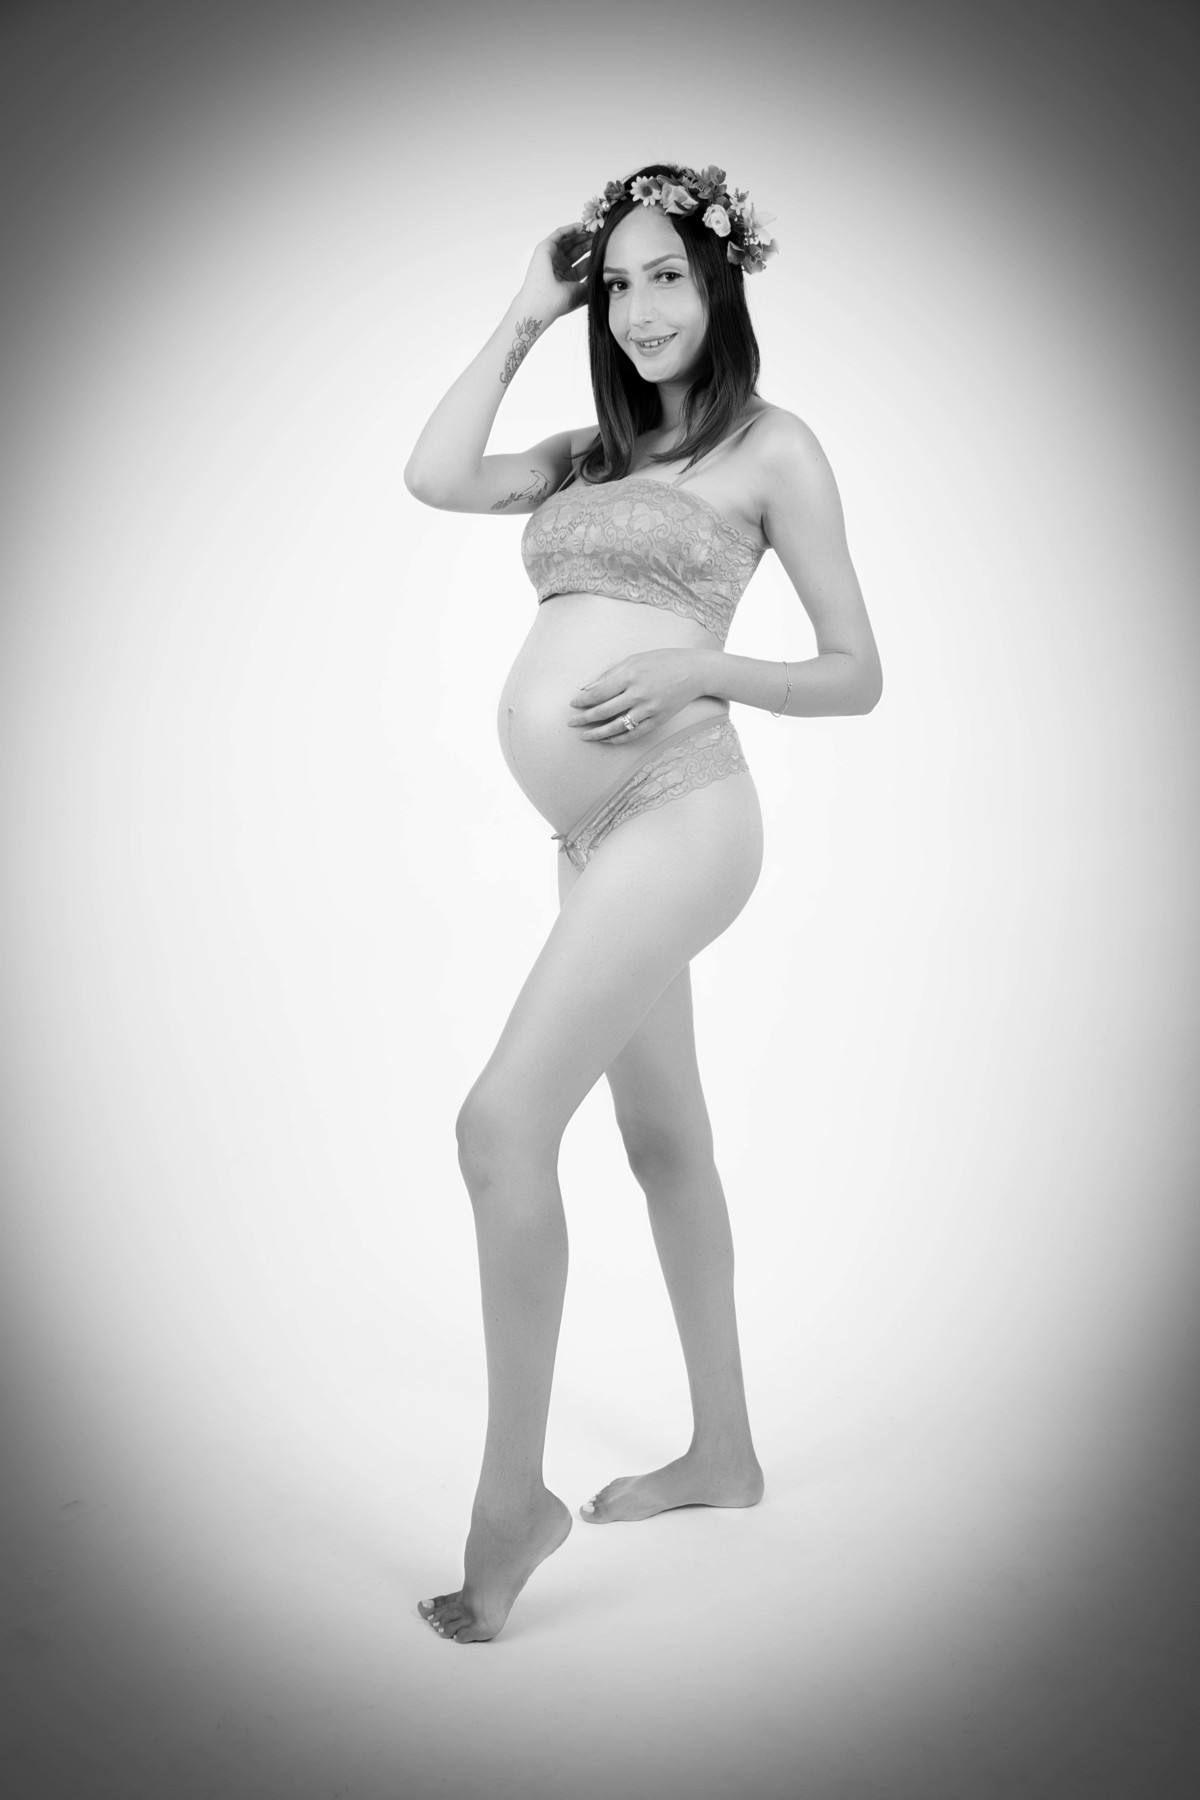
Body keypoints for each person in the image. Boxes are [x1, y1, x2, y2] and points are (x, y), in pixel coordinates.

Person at [404, 162, 882, 1643]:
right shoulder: (584, 454)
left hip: (684, 812)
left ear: (719, 280)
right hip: (593, 838)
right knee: (663, 1139)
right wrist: (526, 310)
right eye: (616, 282)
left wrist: (702, 667)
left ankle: (510, 1506)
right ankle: (723, 1454)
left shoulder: (772, 448)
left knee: (498, 1128)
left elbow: (857, 672)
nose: (640, 306)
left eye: (667, 273)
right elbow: (434, 476)